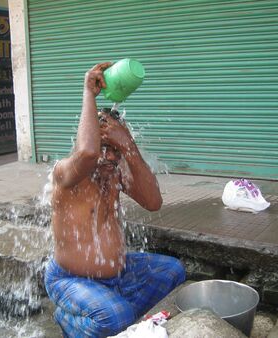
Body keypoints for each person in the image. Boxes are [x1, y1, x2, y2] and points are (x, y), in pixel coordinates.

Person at [44, 62, 185, 338]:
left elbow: (153, 202)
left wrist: (128, 144)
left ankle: (114, 318)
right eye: (104, 149)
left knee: (173, 272)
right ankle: (70, 319)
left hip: (117, 276)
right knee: (115, 316)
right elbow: (87, 153)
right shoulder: (67, 173)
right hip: (70, 279)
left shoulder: (115, 174)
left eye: (115, 150)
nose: (109, 157)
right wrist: (89, 92)